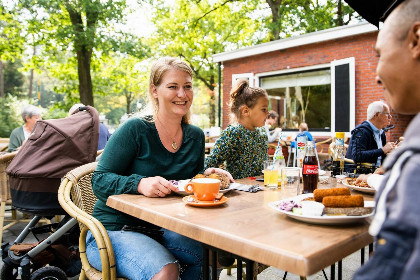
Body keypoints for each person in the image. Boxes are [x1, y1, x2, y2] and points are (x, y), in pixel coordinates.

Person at [86, 57, 232, 280]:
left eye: (187, 87)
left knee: (213, 257)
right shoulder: (135, 129)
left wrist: (206, 175)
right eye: (173, 87)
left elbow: (187, 181)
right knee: (167, 271)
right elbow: (99, 180)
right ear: (155, 91)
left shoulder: (194, 136)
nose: (182, 94)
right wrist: (139, 183)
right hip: (115, 229)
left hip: (164, 227)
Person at [353, 0, 420, 279]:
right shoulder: (364, 131)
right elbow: (356, 157)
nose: (377, 74)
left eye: (380, 54)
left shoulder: (414, 162)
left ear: (416, 40)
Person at [204, 79, 269, 179]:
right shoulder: (233, 133)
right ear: (246, 111)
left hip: (261, 189)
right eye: (264, 109)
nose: (268, 113)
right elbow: (210, 163)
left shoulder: (262, 133)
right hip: (240, 191)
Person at [345, 101, 395, 166]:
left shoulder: (381, 133)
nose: (390, 117)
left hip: (376, 172)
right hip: (359, 173)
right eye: (387, 114)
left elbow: (380, 157)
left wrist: (393, 150)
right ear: (377, 115)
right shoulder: (361, 131)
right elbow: (357, 156)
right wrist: (382, 150)